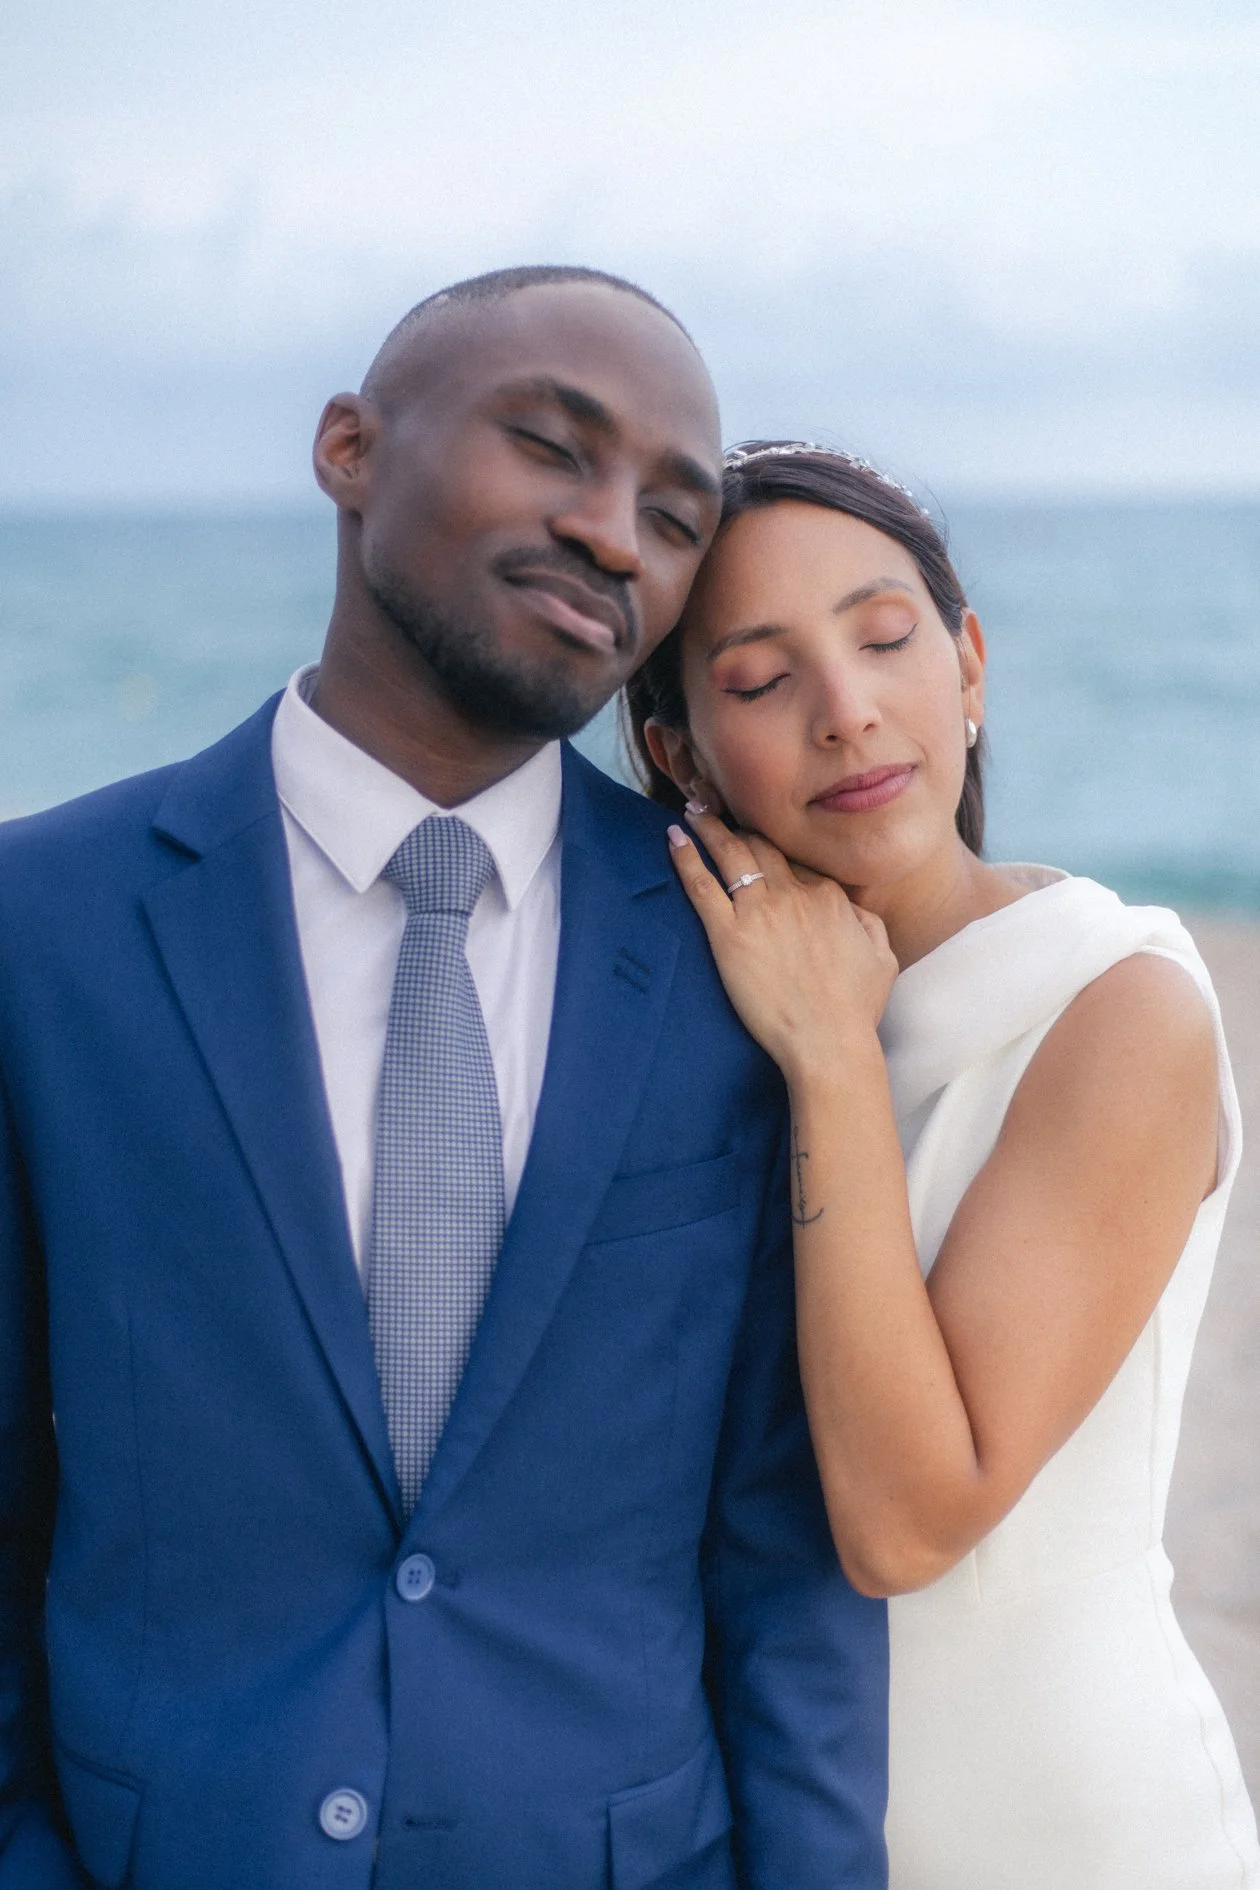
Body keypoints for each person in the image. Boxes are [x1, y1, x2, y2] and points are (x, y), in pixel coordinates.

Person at [0, 289, 887, 1890]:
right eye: (552, 445)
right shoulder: (39, 927)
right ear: (349, 445)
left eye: (677, 518)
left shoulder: (737, 960)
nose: (618, 537)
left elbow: (788, 1559)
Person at [629, 440, 1260, 1889]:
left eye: (885, 637)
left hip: (1057, 1826)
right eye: (759, 677)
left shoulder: (1117, 1002)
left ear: (970, 667)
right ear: (676, 751)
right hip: (764, 1818)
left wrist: (834, 1057)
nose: (848, 712)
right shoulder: (686, 1029)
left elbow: (913, 1516)